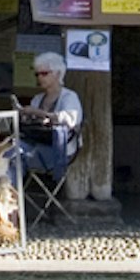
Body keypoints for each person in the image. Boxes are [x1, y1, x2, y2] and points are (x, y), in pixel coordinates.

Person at [17, 51, 83, 186]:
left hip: (60, 150)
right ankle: (9, 196)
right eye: (37, 74)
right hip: (37, 144)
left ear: (58, 73)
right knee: (8, 152)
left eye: (44, 73)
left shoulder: (69, 97)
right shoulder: (38, 98)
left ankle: (11, 196)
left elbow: (70, 119)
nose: (40, 78)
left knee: (15, 156)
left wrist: (40, 113)